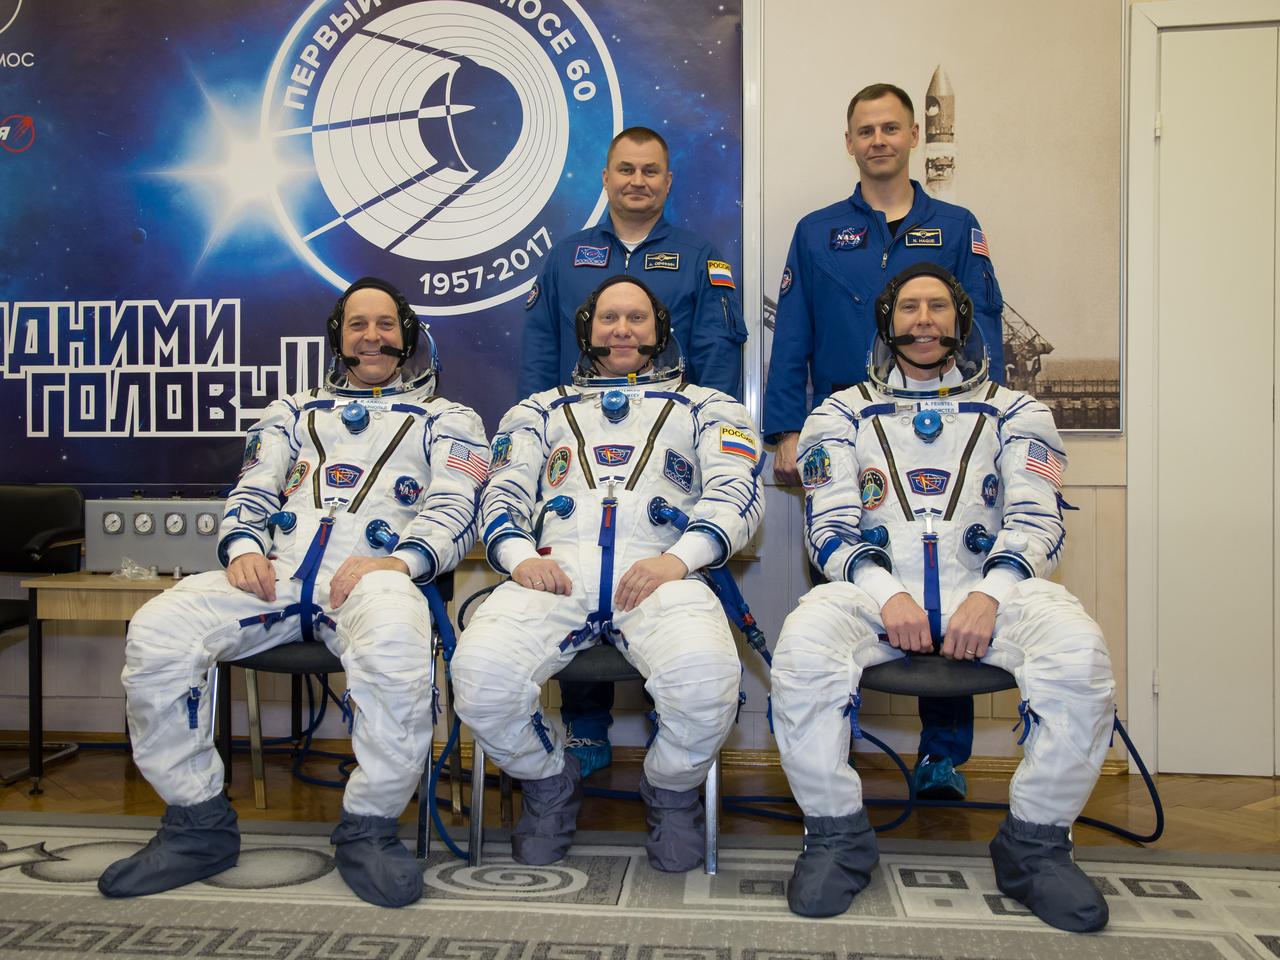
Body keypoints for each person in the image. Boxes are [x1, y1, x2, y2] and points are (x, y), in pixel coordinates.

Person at [97, 277, 489, 908]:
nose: (372, 337)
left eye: (385, 324)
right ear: (338, 337)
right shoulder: (291, 411)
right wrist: (243, 546)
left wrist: (400, 562)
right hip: (278, 574)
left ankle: (369, 828)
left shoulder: (451, 420)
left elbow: (455, 505)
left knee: (395, 647)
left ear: (409, 336)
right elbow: (252, 488)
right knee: (159, 628)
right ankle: (197, 825)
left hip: (376, 578)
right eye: (357, 324)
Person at [770, 263, 1114, 932]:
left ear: (960, 321)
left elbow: (1038, 523)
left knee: (1079, 654)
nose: (922, 319)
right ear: (886, 323)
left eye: (936, 307)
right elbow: (831, 530)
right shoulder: (838, 413)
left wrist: (989, 596)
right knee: (804, 646)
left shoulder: (1020, 412)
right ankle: (836, 836)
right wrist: (887, 592)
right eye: (908, 308)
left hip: (991, 588)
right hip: (874, 591)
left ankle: (1036, 847)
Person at [453, 274, 763, 872]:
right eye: (608, 318)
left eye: (638, 318)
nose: (622, 329)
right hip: (554, 571)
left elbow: (737, 493)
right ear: (586, 331)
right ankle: (548, 784)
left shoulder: (711, 408)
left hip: (661, 572)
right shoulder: (536, 412)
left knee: (706, 684)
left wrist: (679, 559)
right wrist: (520, 559)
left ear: (661, 330)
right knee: (480, 675)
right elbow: (501, 495)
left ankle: (671, 792)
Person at [764, 82, 1006, 801]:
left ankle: (942, 756)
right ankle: (832, 741)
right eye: (865, 129)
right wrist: (786, 427)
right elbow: (794, 333)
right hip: (846, 436)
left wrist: (990, 421)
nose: (878, 140)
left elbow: (983, 325)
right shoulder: (816, 231)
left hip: (946, 431)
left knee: (952, 578)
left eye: (890, 128)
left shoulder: (957, 226)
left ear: (911, 138)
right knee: (844, 578)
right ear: (849, 142)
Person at [520, 125, 748, 779]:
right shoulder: (566, 259)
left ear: (668, 182)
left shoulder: (701, 256)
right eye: (626, 169)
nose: (637, 181)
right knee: (573, 569)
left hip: (664, 468)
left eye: (651, 171)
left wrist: (712, 454)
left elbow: (715, 358)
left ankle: (667, 731)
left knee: (663, 591)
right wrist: (532, 447)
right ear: (606, 178)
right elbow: (539, 354)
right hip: (581, 462)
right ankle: (586, 733)